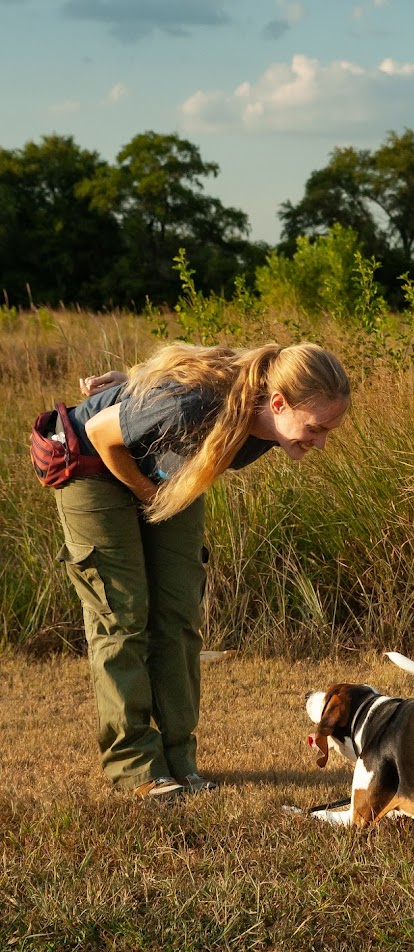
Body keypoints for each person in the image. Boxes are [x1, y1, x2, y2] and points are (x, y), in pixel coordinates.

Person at [54, 342, 350, 802]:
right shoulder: (195, 406)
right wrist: (147, 492)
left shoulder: (264, 412)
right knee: (123, 615)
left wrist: (133, 390)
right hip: (92, 462)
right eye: (315, 427)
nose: (321, 442)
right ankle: (136, 765)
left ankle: (179, 759)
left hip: (163, 473)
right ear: (278, 403)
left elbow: (199, 365)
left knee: (177, 612)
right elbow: (99, 431)